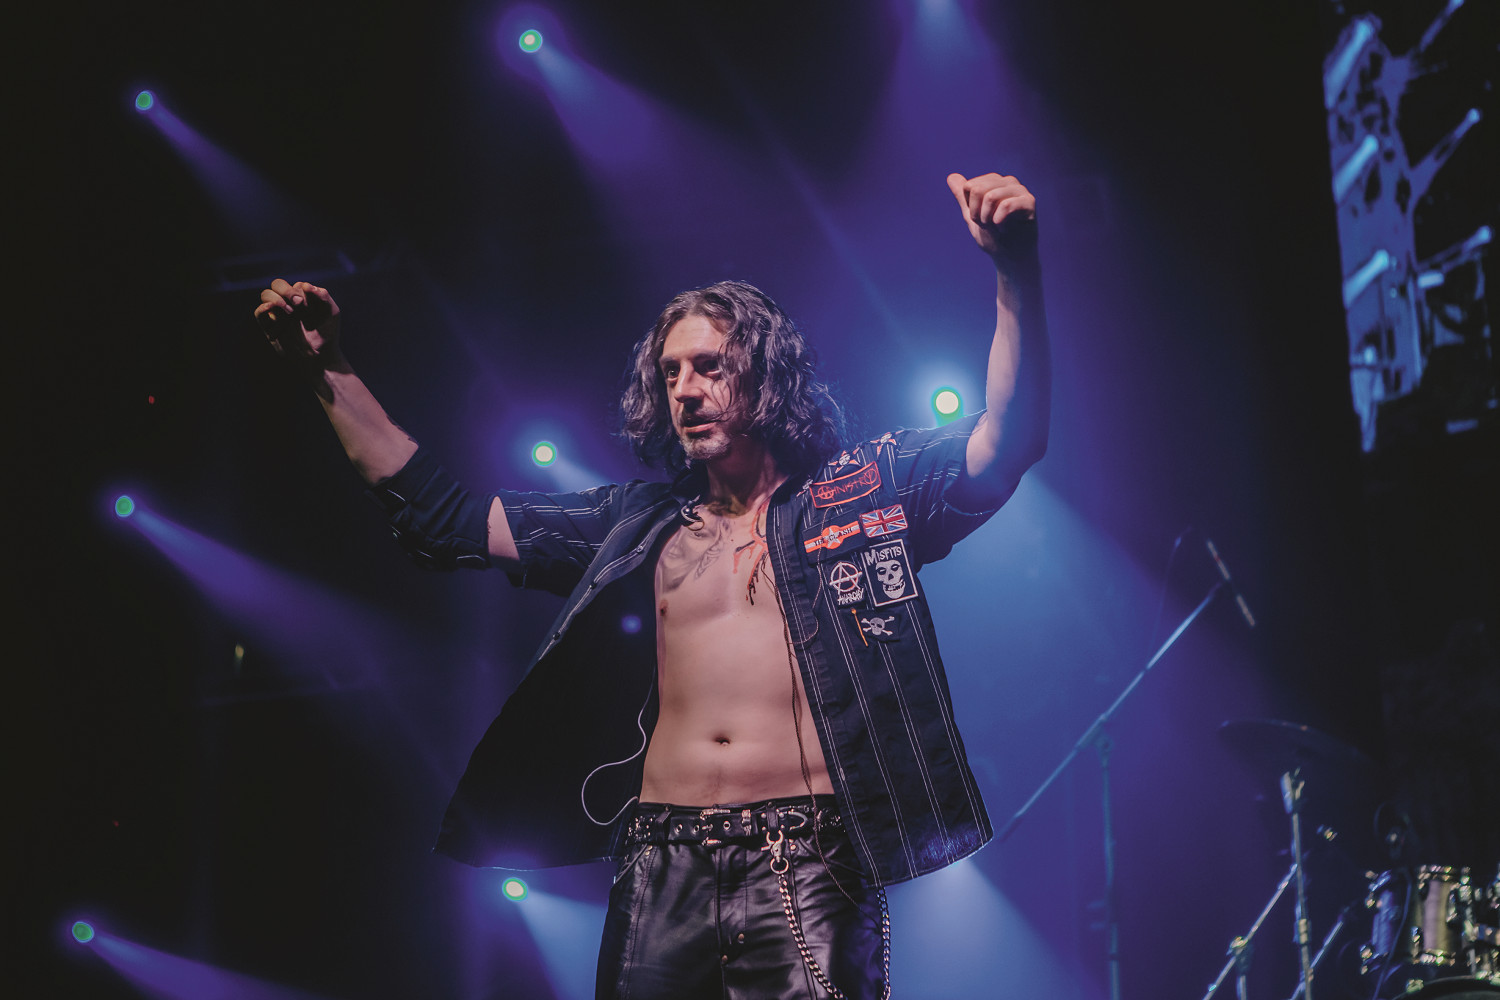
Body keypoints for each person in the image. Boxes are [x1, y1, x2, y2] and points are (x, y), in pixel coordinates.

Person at [254, 171, 1050, 1000]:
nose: (685, 391)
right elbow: (446, 521)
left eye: (707, 367)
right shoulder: (634, 525)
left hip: (807, 862)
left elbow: (1010, 440)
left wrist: (1014, 268)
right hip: (660, 865)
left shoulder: (861, 491)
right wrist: (327, 372)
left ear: (764, 375)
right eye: (670, 374)